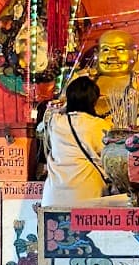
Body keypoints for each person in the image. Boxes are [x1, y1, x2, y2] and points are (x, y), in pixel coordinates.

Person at [40, 77, 112, 209]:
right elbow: (108, 158)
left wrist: (68, 104)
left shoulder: (55, 122)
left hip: (53, 196)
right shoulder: (99, 125)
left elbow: (52, 114)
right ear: (94, 101)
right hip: (87, 193)